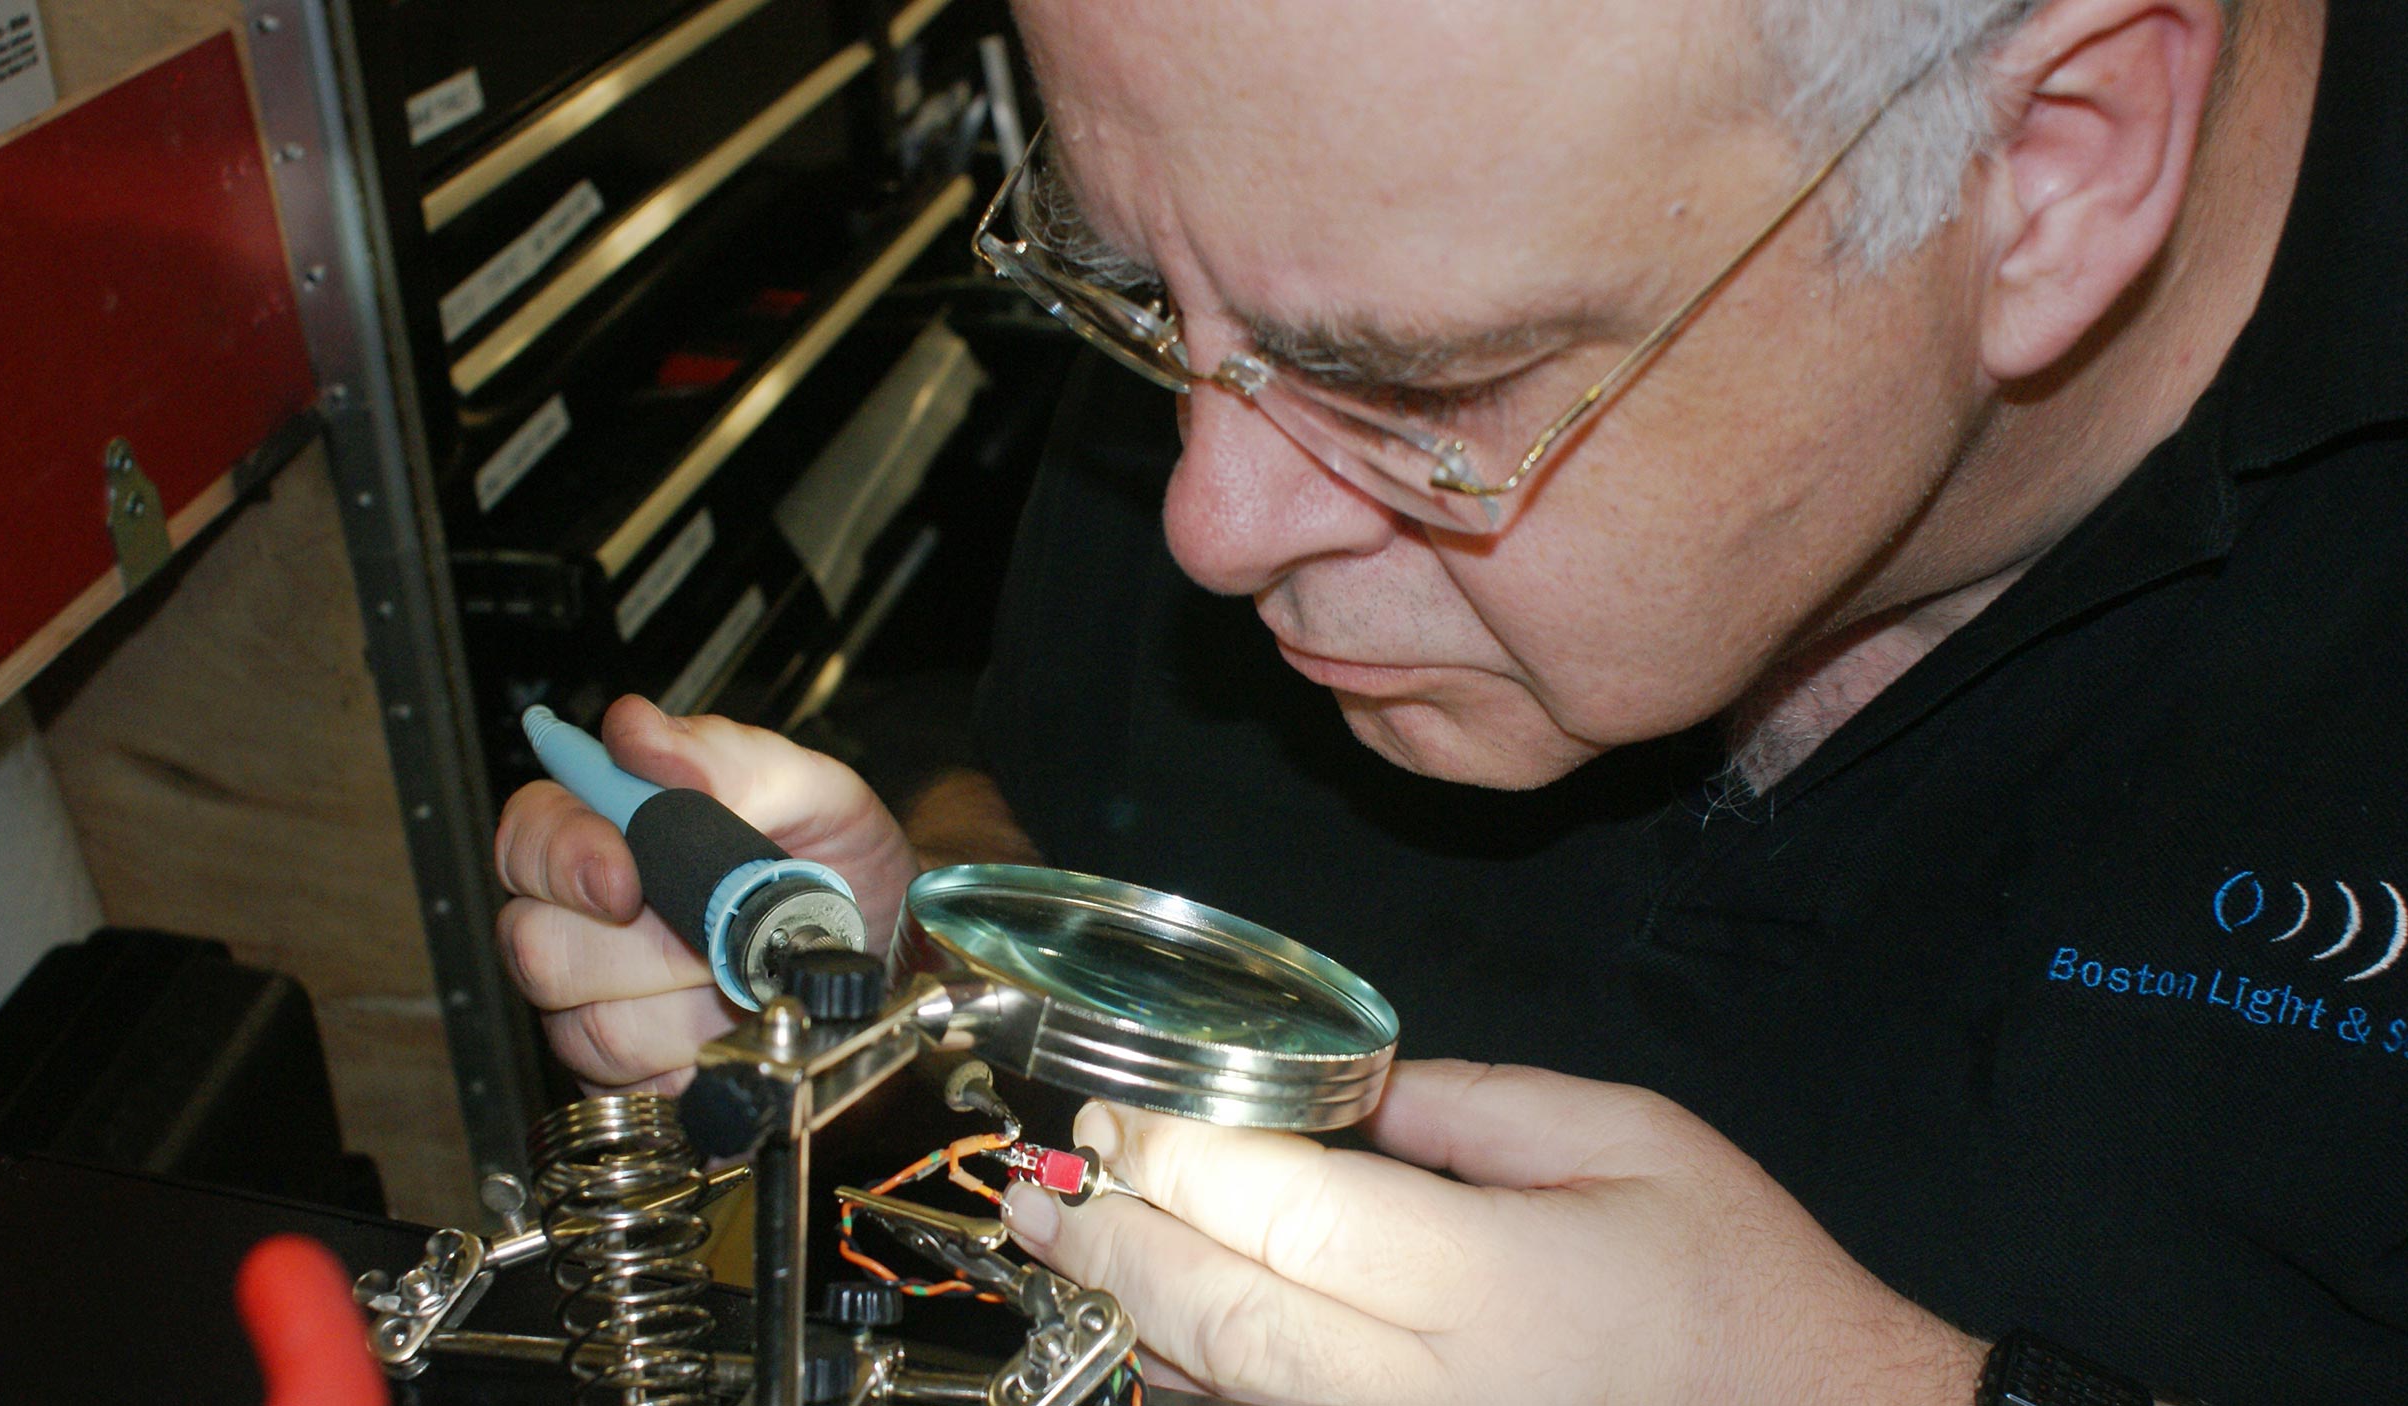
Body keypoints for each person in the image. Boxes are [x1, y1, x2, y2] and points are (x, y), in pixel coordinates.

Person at [493, 0, 2408, 1400]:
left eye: (1411, 391)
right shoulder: (1297, 233)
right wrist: (926, 979)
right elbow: (1048, 792)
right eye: (1137, 288)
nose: (1210, 525)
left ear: (2054, 169)